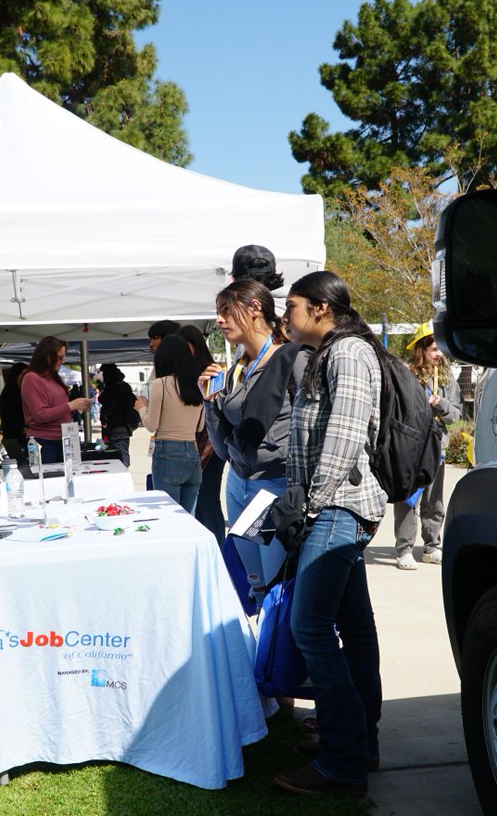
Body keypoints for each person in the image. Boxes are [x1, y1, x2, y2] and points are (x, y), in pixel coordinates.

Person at [273, 269, 386, 798]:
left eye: (291, 305)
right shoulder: (330, 353)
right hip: (333, 506)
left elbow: (341, 438)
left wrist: (309, 506)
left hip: (338, 507)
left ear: (321, 307)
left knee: (310, 627)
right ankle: (360, 743)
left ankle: (343, 762)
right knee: (353, 627)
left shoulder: (347, 353)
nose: (285, 315)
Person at [198, 279, 307, 602]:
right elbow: (222, 448)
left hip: (275, 486)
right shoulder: (235, 372)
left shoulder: (293, 359)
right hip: (238, 484)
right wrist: (209, 401)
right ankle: (261, 646)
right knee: (254, 585)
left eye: (226, 311)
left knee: (276, 587)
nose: (219, 320)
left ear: (255, 308)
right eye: (218, 312)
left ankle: (275, 649)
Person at [393, 321, 462, 570]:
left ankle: (431, 546)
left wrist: (440, 403)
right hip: (412, 448)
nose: (438, 354)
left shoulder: (447, 378)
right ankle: (404, 549)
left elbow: (455, 415)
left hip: (437, 449)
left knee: (435, 500)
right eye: (434, 349)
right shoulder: (407, 375)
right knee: (409, 498)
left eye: (440, 349)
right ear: (421, 349)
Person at [135, 335, 204, 511]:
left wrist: (142, 408)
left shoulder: (161, 384)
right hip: (193, 452)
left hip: (168, 453)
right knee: (189, 518)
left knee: (168, 516)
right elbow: (200, 426)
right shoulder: (198, 384)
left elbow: (151, 425)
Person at [177, 325, 226, 540]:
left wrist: (203, 453)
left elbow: (214, 413)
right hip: (191, 448)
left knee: (207, 501)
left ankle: (219, 551)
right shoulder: (182, 373)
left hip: (211, 448)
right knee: (196, 503)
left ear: (193, 345)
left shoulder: (211, 371)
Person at [20, 337, 90, 465]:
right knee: (47, 482)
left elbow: (59, 410)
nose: (63, 361)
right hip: (44, 442)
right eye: (60, 357)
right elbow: (41, 415)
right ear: (47, 356)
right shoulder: (31, 378)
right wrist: (70, 406)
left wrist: (76, 408)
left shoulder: (53, 378)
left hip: (63, 439)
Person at [97, 363, 137, 467]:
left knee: (120, 456)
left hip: (116, 427)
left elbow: (108, 405)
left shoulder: (112, 389)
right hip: (125, 426)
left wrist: (104, 418)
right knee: (122, 453)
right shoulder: (124, 387)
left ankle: (123, 476)